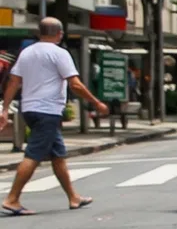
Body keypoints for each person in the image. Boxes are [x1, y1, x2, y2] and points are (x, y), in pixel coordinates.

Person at [0, 19, 111, 215]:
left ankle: (73, 197)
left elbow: (13, 81)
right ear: (59, 34)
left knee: (58, 156)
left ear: (39, 33)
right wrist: (96, 102)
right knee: (33, 155)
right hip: (47, 111)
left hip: (30, 109)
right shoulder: (59, 54)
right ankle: (12, 198)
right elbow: (75, 84)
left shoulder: (27, 53)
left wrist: (5, 108)